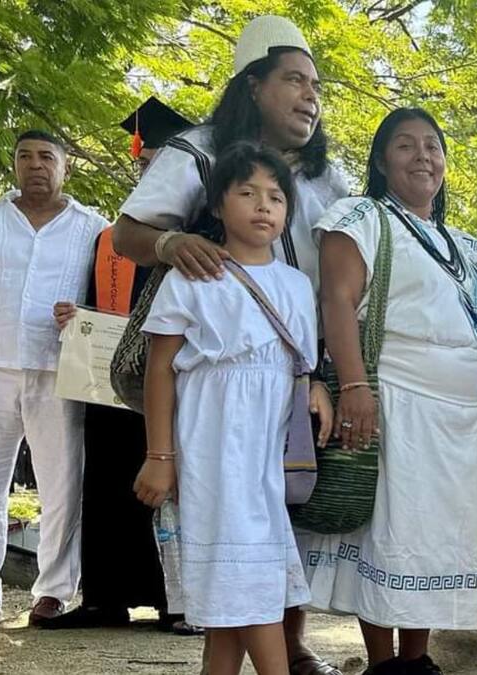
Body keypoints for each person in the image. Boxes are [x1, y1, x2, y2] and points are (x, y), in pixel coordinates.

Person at [111, 16, 345, 674]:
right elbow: (128, 232)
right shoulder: (199, 151)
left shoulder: (326, 175)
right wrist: (171, 243)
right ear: (253, 85)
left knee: (281, 518)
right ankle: (280, 655)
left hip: (287, 382)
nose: (310, 96)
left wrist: (321, 374)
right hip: (211, 395)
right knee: (237, 545)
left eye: (316, 86)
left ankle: (292, 644)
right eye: (294, 80)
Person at [305, 108, 477, 675]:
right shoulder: (363, 217)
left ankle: (417, 659)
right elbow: (337, 300)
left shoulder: (463, 245)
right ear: (382, 160)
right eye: (406, 145)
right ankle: (384, 662)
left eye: (432, 146)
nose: (423, 156)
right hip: (396, 399)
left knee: (434, 541)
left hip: (461, 417)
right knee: (391, 534)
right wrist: (355, 384)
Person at [133, 141, 325, 675]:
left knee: (233, 588)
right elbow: (160, 369)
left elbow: (298, 362)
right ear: (218, 205)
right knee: (249, 582)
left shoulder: (296, 284)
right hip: (214, 442)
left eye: (275, 197)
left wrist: (317, 389)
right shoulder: (191, 277)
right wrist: (160, 456)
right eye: (247, 193)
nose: (264, 206)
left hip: (266, 451)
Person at [0, 130, 109, 632]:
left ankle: (54, 592)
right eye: (25, 156)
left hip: (60, 371)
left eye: (46, 157)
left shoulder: (95, 228)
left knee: (62, 486)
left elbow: (109, 300)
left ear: (66, 167)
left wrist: (82, 314)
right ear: (14, 164)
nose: (35, 165)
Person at [42, 97, 197, 633]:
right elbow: (99, 302)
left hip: (172, 378)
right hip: (109, 380)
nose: (147, 172)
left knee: (169, 483)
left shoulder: (197, 234)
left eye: (159, 165)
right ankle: (104, 598)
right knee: (108, 479)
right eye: (143, 164)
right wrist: (76, 317)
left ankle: (176, 601)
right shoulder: (112, 237)